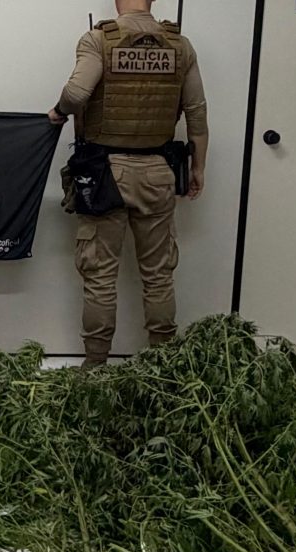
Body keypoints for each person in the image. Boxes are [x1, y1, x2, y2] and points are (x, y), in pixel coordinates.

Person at [50, 0, 208, 367]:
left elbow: (76, 94)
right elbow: (197, 112)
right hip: (158, 171)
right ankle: (161, 369)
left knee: (100, 275)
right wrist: (198, 167)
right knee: (158, 276)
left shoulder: (98, 40)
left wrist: (58, 112)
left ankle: (95, 369)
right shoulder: (179, 45)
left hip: (104, 174)